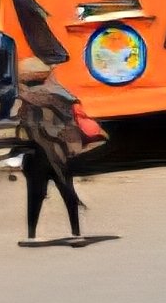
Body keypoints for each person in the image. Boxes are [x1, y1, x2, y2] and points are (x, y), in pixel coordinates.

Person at [14, 57, 104, 246]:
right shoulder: (62, 96)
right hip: (59, 153)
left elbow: (25, 127)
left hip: (37, 153)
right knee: (67, 192)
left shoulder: (30, 99)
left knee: (35, 195)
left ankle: (31, 235)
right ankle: (76, 232)